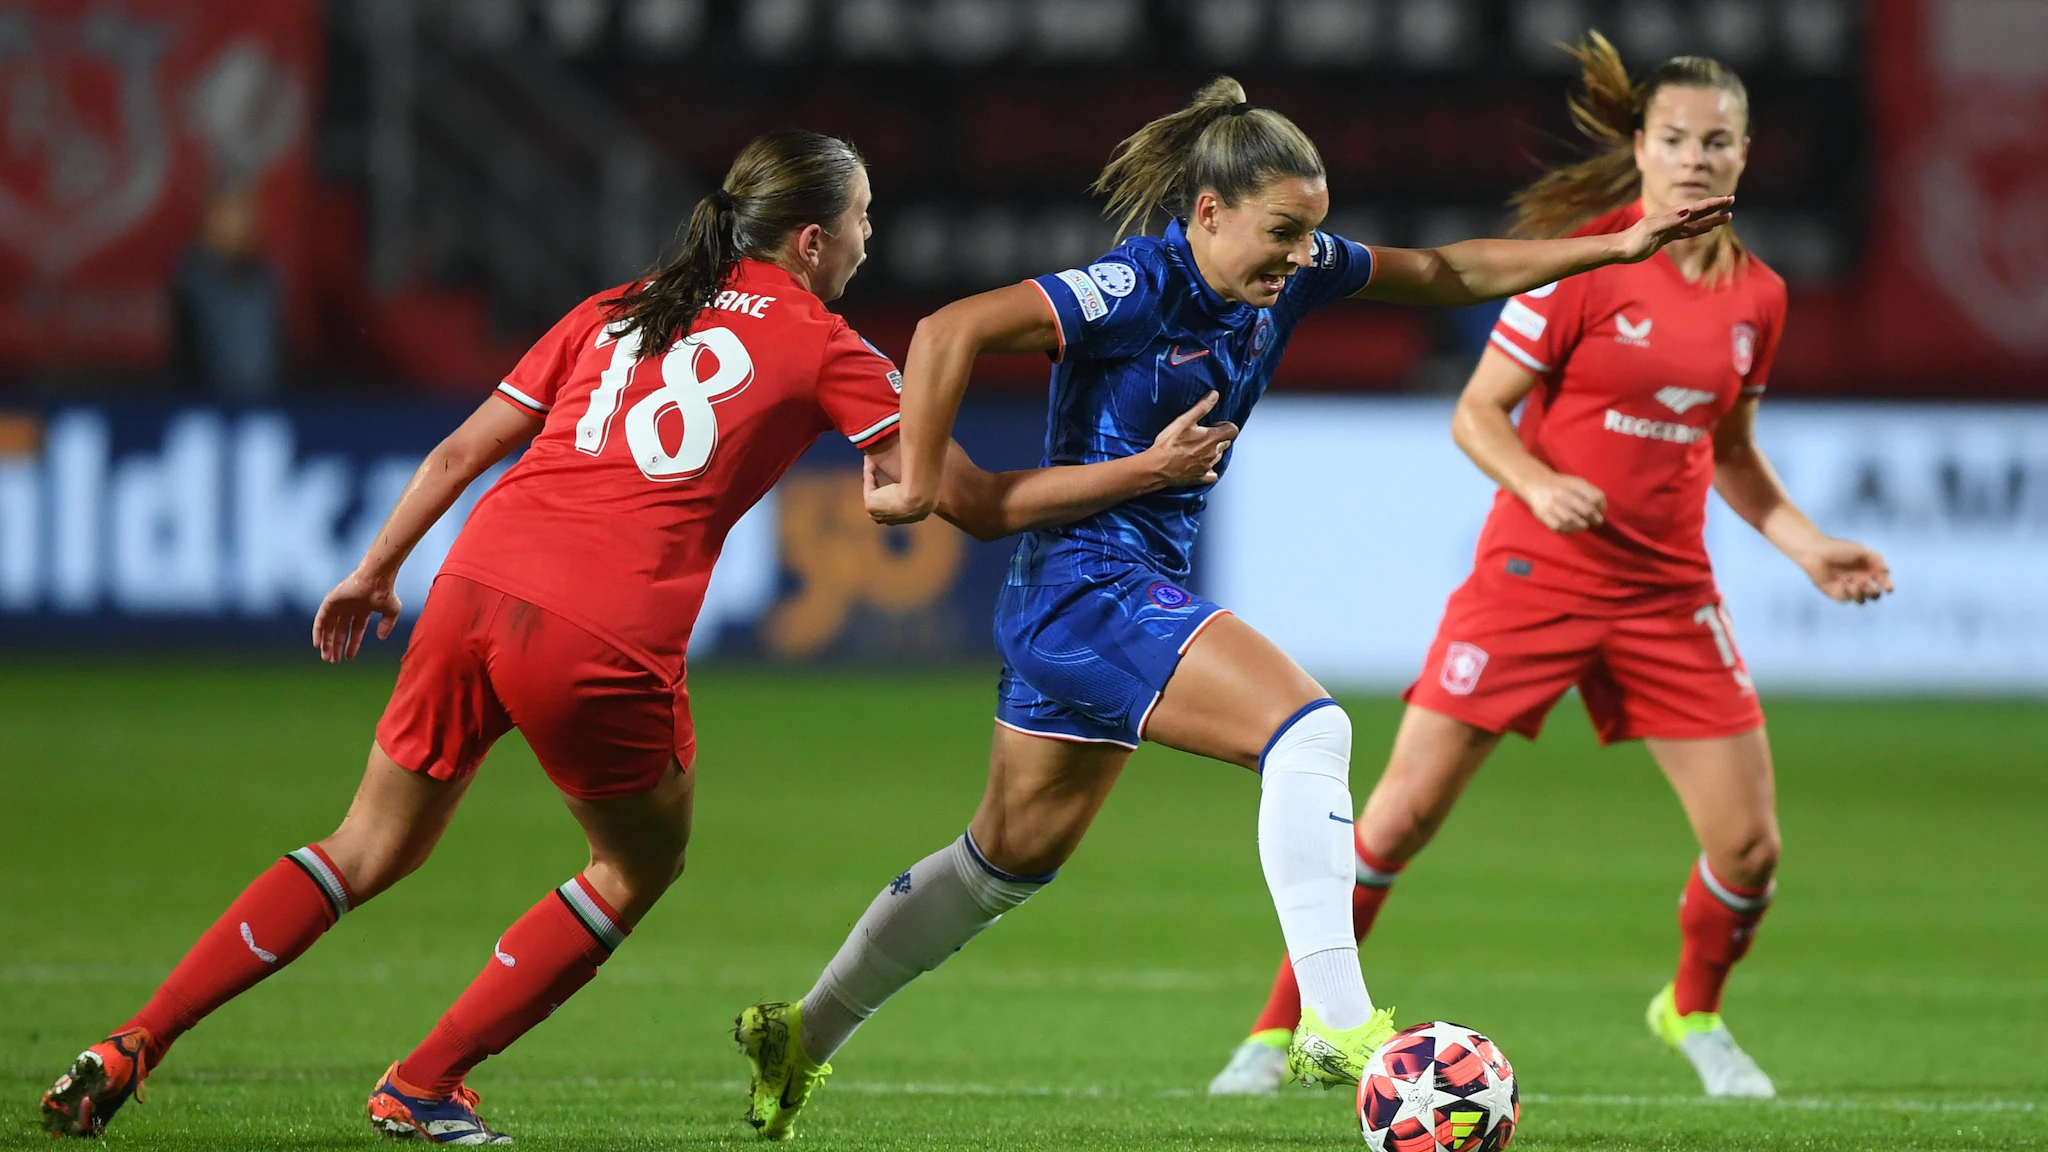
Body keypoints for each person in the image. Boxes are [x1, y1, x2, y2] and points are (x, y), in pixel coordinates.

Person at [37, 129, 1235, 1143]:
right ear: (810, 240)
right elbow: (963, 503)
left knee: (363, 846)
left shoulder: (613, 307)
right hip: (600, 628)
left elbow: (461, 454)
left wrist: (372, 570)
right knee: (637, 865)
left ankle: (136, 1041)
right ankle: (420, 1085)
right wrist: (1141, 470)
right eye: (863, 218)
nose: (873, 237)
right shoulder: (824, 343)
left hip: (470, 584)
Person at [732, 77, 1734, 1140]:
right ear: (1206, 214)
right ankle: (1338, 1024)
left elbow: (1446, 271)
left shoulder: (1286, 278)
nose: (1302, 255)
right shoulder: (1134, 284)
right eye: (1281, 232)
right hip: (1087, 586)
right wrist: (922, 479)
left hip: (1091, 599)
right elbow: (946, 331)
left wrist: (1613, 249)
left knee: (1000, 863)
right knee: (1308, 729)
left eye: (1311, 233)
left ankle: (800, 1036)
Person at [1208, 35, 1892, 1100]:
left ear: (1745, 155)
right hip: (1534, 578)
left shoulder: (1758, 298)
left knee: (1748, 850)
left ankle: (1691, 1013)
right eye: (1674, 139)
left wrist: (1807, 546)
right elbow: (1476, 414)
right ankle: (1273, 1032)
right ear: (1641, 147)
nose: (1695, 158)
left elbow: (1729, 450)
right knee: (1394, 820)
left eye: (1717, 141)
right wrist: (1535, 484)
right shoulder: (1587, 263)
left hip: (1666, 595)